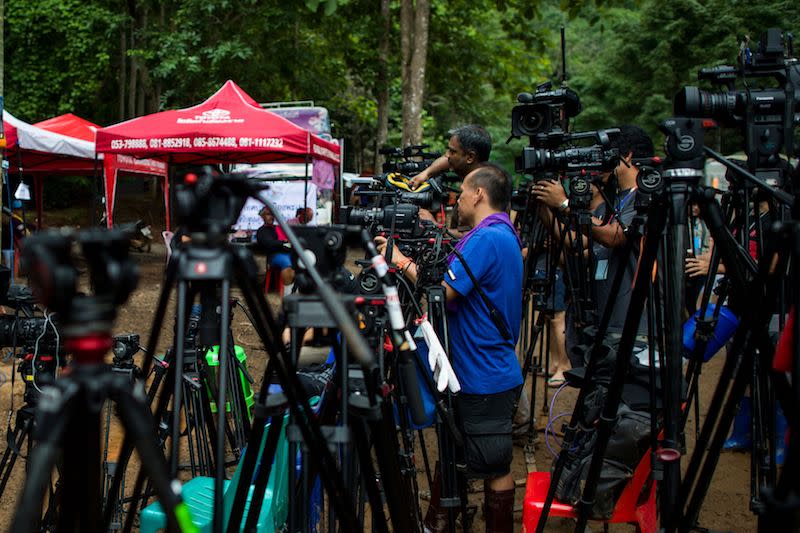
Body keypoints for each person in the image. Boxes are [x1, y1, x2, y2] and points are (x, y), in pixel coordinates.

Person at [376, 163, 522, 533]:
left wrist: (399, 260)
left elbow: (445, 289)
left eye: (462, 192)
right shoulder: (495, 233)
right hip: (471, 368)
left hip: (485, 372)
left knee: (493, 463)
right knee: (454, 449)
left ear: (479, 194)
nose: (457, 199)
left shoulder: (488, 238)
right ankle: (439, 521)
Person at [533, 124, 655, 367]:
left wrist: (564, 204)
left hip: (632, 324)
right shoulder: (613, 202)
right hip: (603, 320)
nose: (600, 162)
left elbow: (614, 236)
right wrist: (545, 205)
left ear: (627, 155)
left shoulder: (646, 195)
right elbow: (577, 244)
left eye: (606, 154)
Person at [409, 124, 492, 230]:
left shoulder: (481, 193)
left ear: (470, 157)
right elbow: (446, 159)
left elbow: (475, 236)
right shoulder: (484, 175)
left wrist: (435, 226)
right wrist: (425, 174)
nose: (447, 155)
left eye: (452, 151)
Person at [255, 206, 295, 296]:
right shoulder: (262, 230)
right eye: (268, 215)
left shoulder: (278, 228)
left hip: (286, 252)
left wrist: (283, 243)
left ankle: (295, 288)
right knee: (286, 261)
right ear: (263, 216)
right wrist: (282, 243)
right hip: (274, 256)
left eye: (272, 215)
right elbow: (268, 243)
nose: (271, 217)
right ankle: (288, 293)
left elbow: (287, 241)